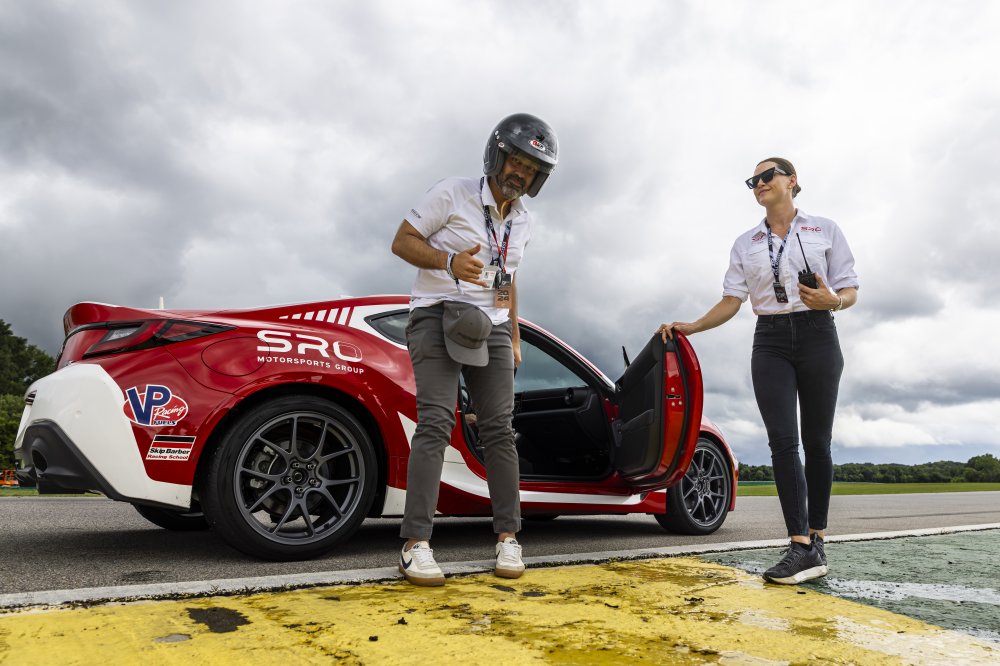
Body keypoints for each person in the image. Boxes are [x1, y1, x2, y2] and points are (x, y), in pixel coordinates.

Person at [658, 157, 858, 585]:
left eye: (767, 176)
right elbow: (732, 299)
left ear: (791, 181)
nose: (760, 183)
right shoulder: (745, 242)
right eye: (753, 180)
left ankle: (817, 540)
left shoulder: (824, 229)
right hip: (769, 340)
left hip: (819, 333)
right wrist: (692, 326)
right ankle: (799, 545)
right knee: (782, 441)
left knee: (817, 442)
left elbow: (849, 288)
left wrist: (835, 301)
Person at [390, 113, 558, 586]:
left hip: (494, 326)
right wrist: (448, 262)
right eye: (516, 161)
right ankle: (415, 544)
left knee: (500, 429)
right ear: (496, 154)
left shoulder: (523, 221)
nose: (520, 173)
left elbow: (509, 278)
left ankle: (508, 538)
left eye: (531, 169)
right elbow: (401, 242)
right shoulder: (452, 193)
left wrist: (515, 337)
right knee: (436, 422)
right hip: (437, 314)